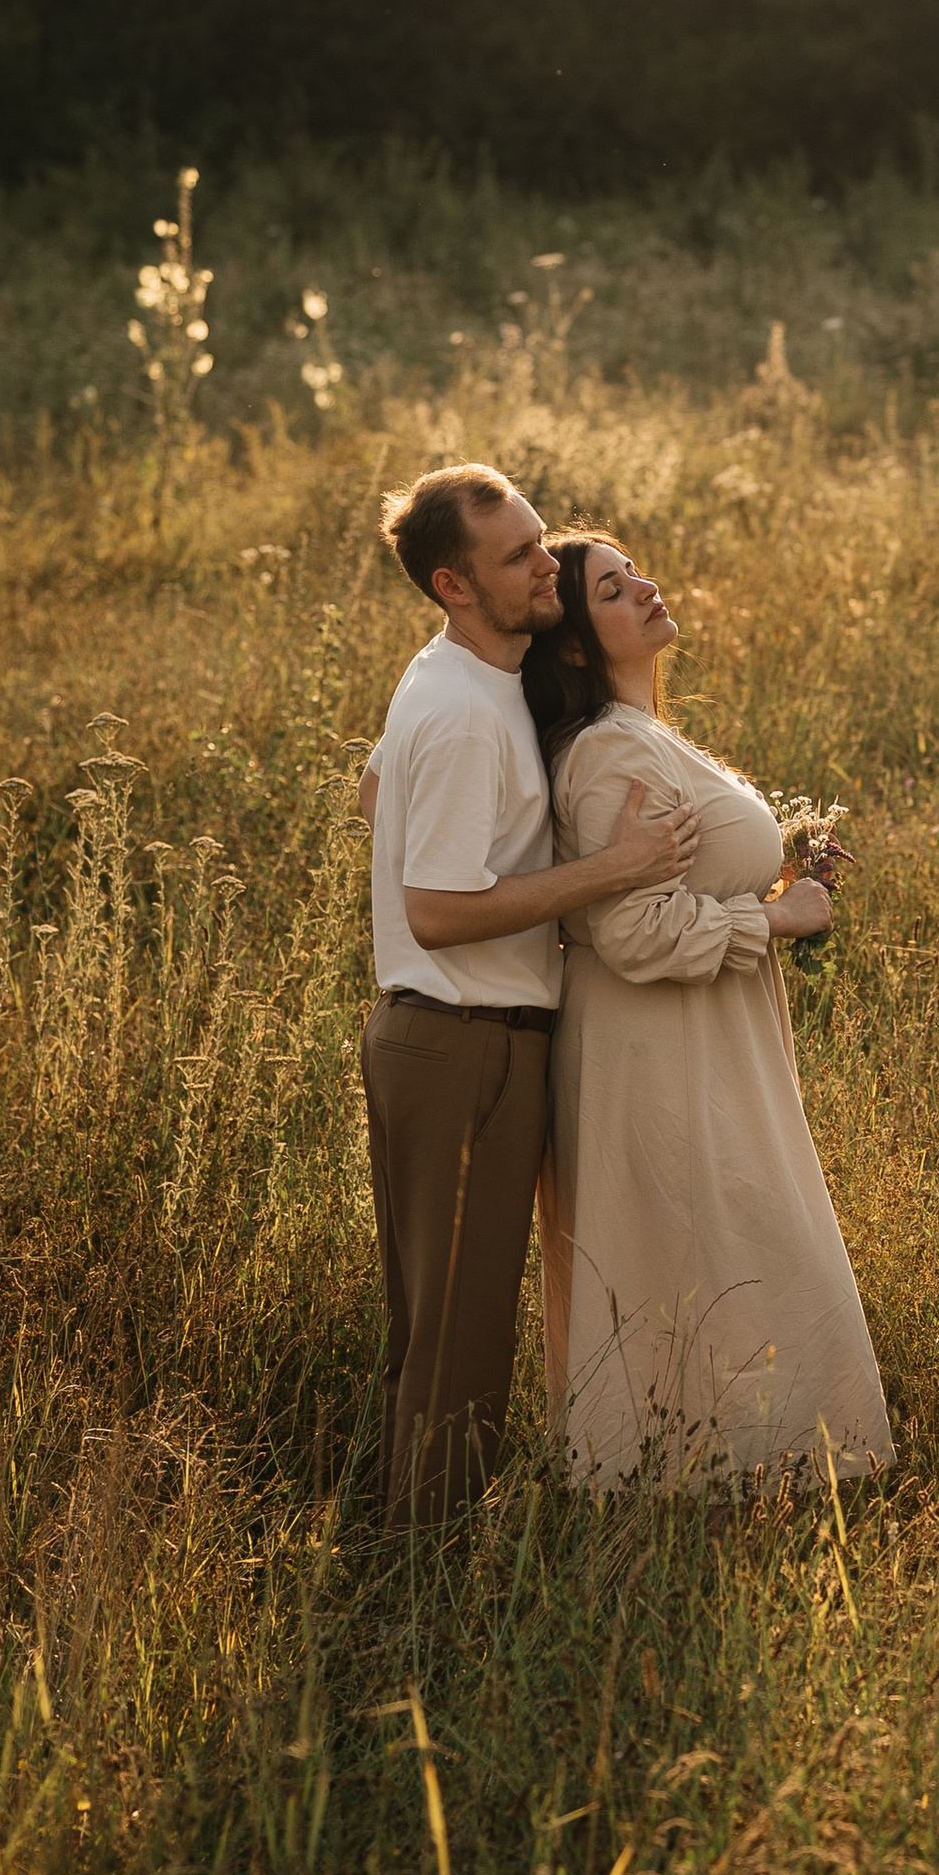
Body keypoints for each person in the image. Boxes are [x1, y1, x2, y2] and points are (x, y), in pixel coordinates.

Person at [359, 466, 697, 1528]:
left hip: (452, 1037)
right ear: (455, 584)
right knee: (459, 1346)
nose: (546, 562)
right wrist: (616, 867)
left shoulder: (458, 676)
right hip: (464, 1042)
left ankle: (409, 1551)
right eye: (517, 556)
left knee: (437, 1332)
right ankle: (425, 1577)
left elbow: (376, 786)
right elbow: (439, 911)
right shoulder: (464, 713)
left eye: (541, 539)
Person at [525, 531, 893, 1490]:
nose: (643, 586)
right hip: (658, 1055)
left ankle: (727, 1479)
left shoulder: (642, 735)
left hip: (703, 1042)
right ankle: (691, 1483)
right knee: (711, 1254)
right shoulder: (607, 755)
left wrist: (786, 867)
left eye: (633, 570)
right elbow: (631, 931)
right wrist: (774, 920)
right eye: (611, 589)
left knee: (722, 1253)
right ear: (572, 645)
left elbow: (678, 880)